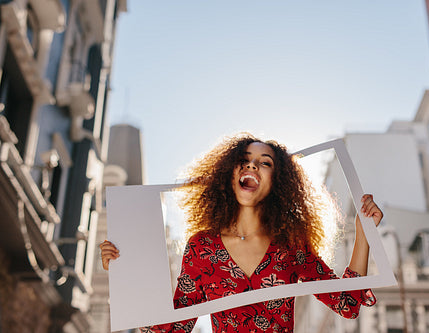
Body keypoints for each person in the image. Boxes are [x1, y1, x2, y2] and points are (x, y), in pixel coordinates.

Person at [100, 133, 383, 332]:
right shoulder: (202, 248)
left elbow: (347, 305)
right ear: (230, 173)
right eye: (245, 159)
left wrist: (363, 232)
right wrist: (124, 272)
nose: (252, 165)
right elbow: (168, 329)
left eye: (265, 162)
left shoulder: (292, 246)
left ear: (278, 182)